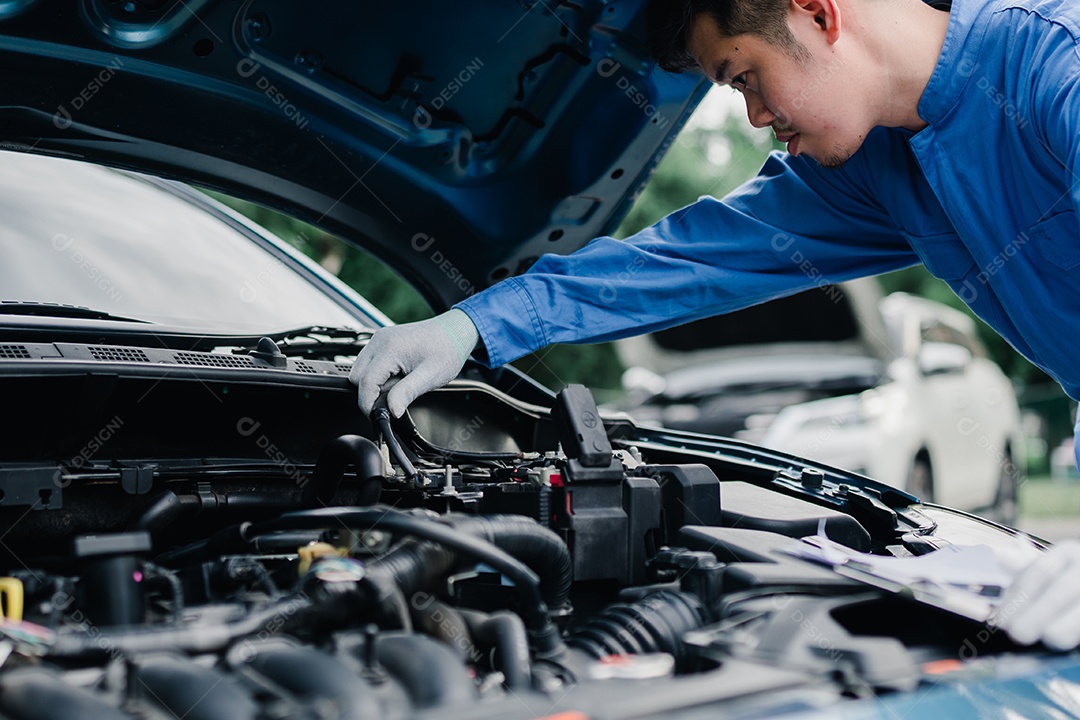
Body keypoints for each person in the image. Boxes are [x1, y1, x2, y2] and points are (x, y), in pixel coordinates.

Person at [351, 0, 1080, 649]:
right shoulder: (870, 170)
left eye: (744, 77)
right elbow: (682, 259)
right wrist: (471, 327)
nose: (756, 117)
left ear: (817, 13)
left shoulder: (1059, 68)